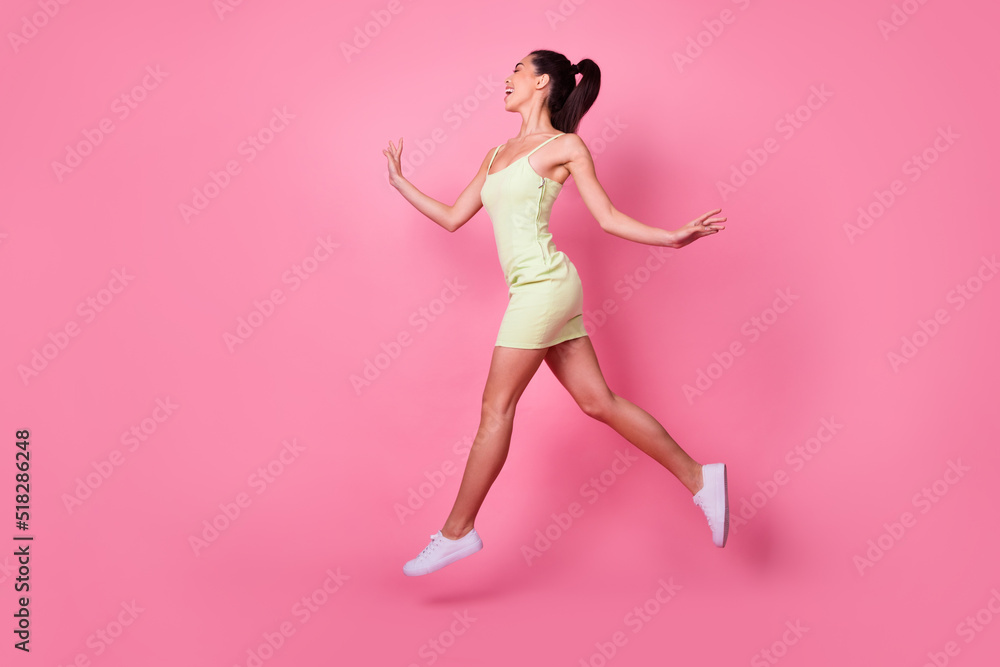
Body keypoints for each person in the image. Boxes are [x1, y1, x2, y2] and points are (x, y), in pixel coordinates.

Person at [383, 50, 729, 577]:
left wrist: (671, 237)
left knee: (495, 409)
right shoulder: (498, 152)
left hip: (544, 287)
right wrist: (401, 182)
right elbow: (455, 217)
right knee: (599, 402)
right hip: (540, 289)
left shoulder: (563, 146)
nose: (507, 77)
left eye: (517, 70)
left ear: (542, 82)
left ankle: (457, 531)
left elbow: (607, 216)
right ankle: (701, 478)